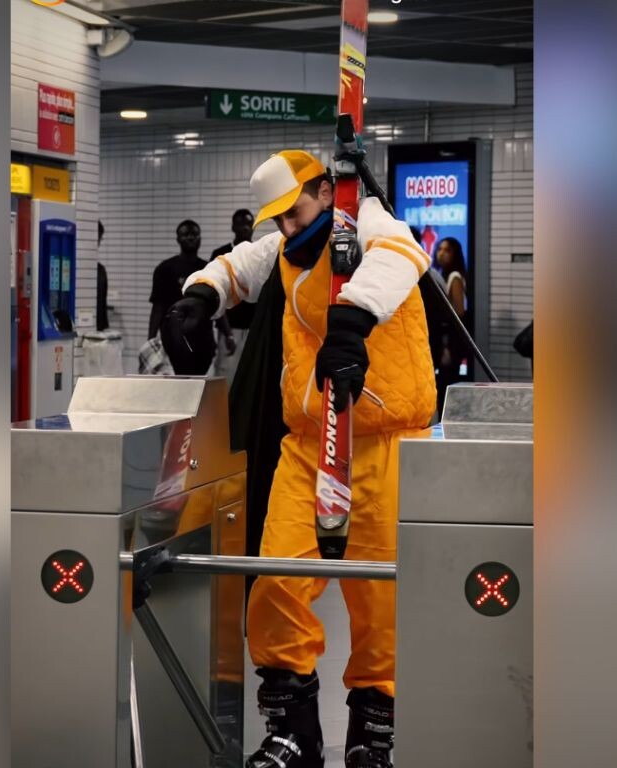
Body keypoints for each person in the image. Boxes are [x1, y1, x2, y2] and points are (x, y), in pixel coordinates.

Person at [167, 150, 435, 768]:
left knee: (384, 603)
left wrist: (351, 320)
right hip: (309, 446)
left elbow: (404, 257)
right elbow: (238, 265)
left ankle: (374, 737)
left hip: (384, 441)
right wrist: (201, 296)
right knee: (276, 585)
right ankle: (293, 733)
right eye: (278, 219)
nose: (288, 228)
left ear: (324, 188)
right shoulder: (287, 250)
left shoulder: (369, 222)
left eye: (295, 212)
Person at [148, 219, 230, 375]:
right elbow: (158, 307)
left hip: (203, 340)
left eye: (194, 234)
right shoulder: (165, 269)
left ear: (200, 238)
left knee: (198, 383)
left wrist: (228, 334)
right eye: (185, 234)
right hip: (174, 338)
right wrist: (151, 339)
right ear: (178, 239)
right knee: (178, 385)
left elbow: (217, 305)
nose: (191, 238)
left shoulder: (209, 268)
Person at [210, 209, 255, 381]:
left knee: (250, 379)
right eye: (240, 224)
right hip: (230, 328)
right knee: (226, 379)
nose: (245, 228)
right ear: (233, 227)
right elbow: (216, 295)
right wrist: (227, 332)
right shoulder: (221, 254)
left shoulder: (258, 253)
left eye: (249, 224)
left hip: (253, 328)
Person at [431, 236, 469, 415]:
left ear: (455, 254)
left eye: (447, 250)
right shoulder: (443, 275)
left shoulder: (454, 277)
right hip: (447, 339)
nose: (441, 254)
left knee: (447, 383)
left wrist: (447, 346)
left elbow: (459, 312)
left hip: (452, 340)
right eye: (440, 249)